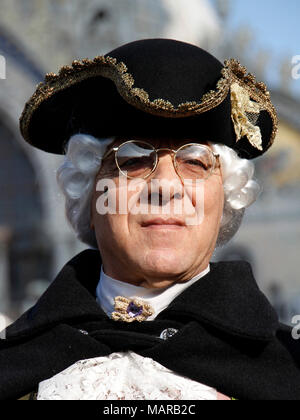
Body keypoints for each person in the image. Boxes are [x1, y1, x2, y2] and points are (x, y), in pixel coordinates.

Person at [1, 39, 299, 400]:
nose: (165, 186)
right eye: (132, 159)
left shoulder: (289, 367)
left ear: (223, 200)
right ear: (89, 197)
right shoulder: (13, 365)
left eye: (195, 161)